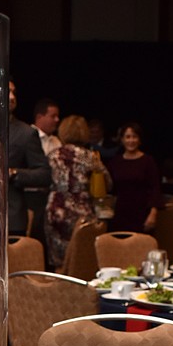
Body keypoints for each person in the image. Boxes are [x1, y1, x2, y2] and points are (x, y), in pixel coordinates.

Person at [44, 115, 110, 270]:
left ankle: (58, 292)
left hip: (56, 210)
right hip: (81, 212)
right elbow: (107, 182)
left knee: (58, 262)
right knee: (80, 261)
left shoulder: (53, 155)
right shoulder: (90, 157)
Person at [7, 80, 50, 236]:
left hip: (11, 218)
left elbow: (44, 173)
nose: (12, 97)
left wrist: (13, 173)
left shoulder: (26, 133)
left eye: (14, 92)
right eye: (7, 92)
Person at [109, 122, 162, 233]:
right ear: (122, 139)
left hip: (142, 215)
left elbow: (155, 189)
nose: (131, 140)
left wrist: (153, 214)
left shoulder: (148, 161)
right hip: (120, 214)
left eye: (134, 137)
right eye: (127, 137)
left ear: (139, 139)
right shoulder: (115, 161)